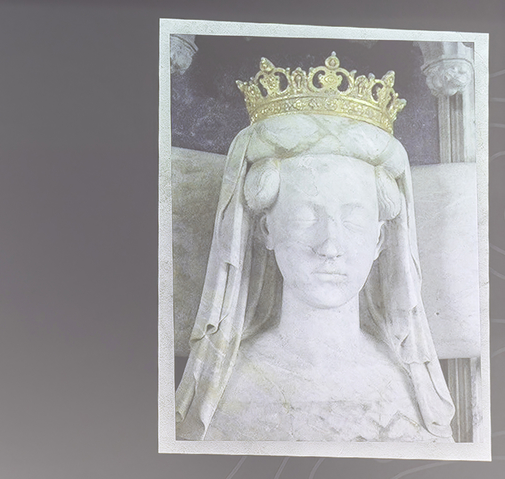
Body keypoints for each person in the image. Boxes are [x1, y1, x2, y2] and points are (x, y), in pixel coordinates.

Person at [175, 54, 456, 442]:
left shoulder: (409, 393)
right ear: (266, 229)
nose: (330, 246)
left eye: (353, 220)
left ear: (379, 240)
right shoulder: (226, 390)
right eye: (307, 215)